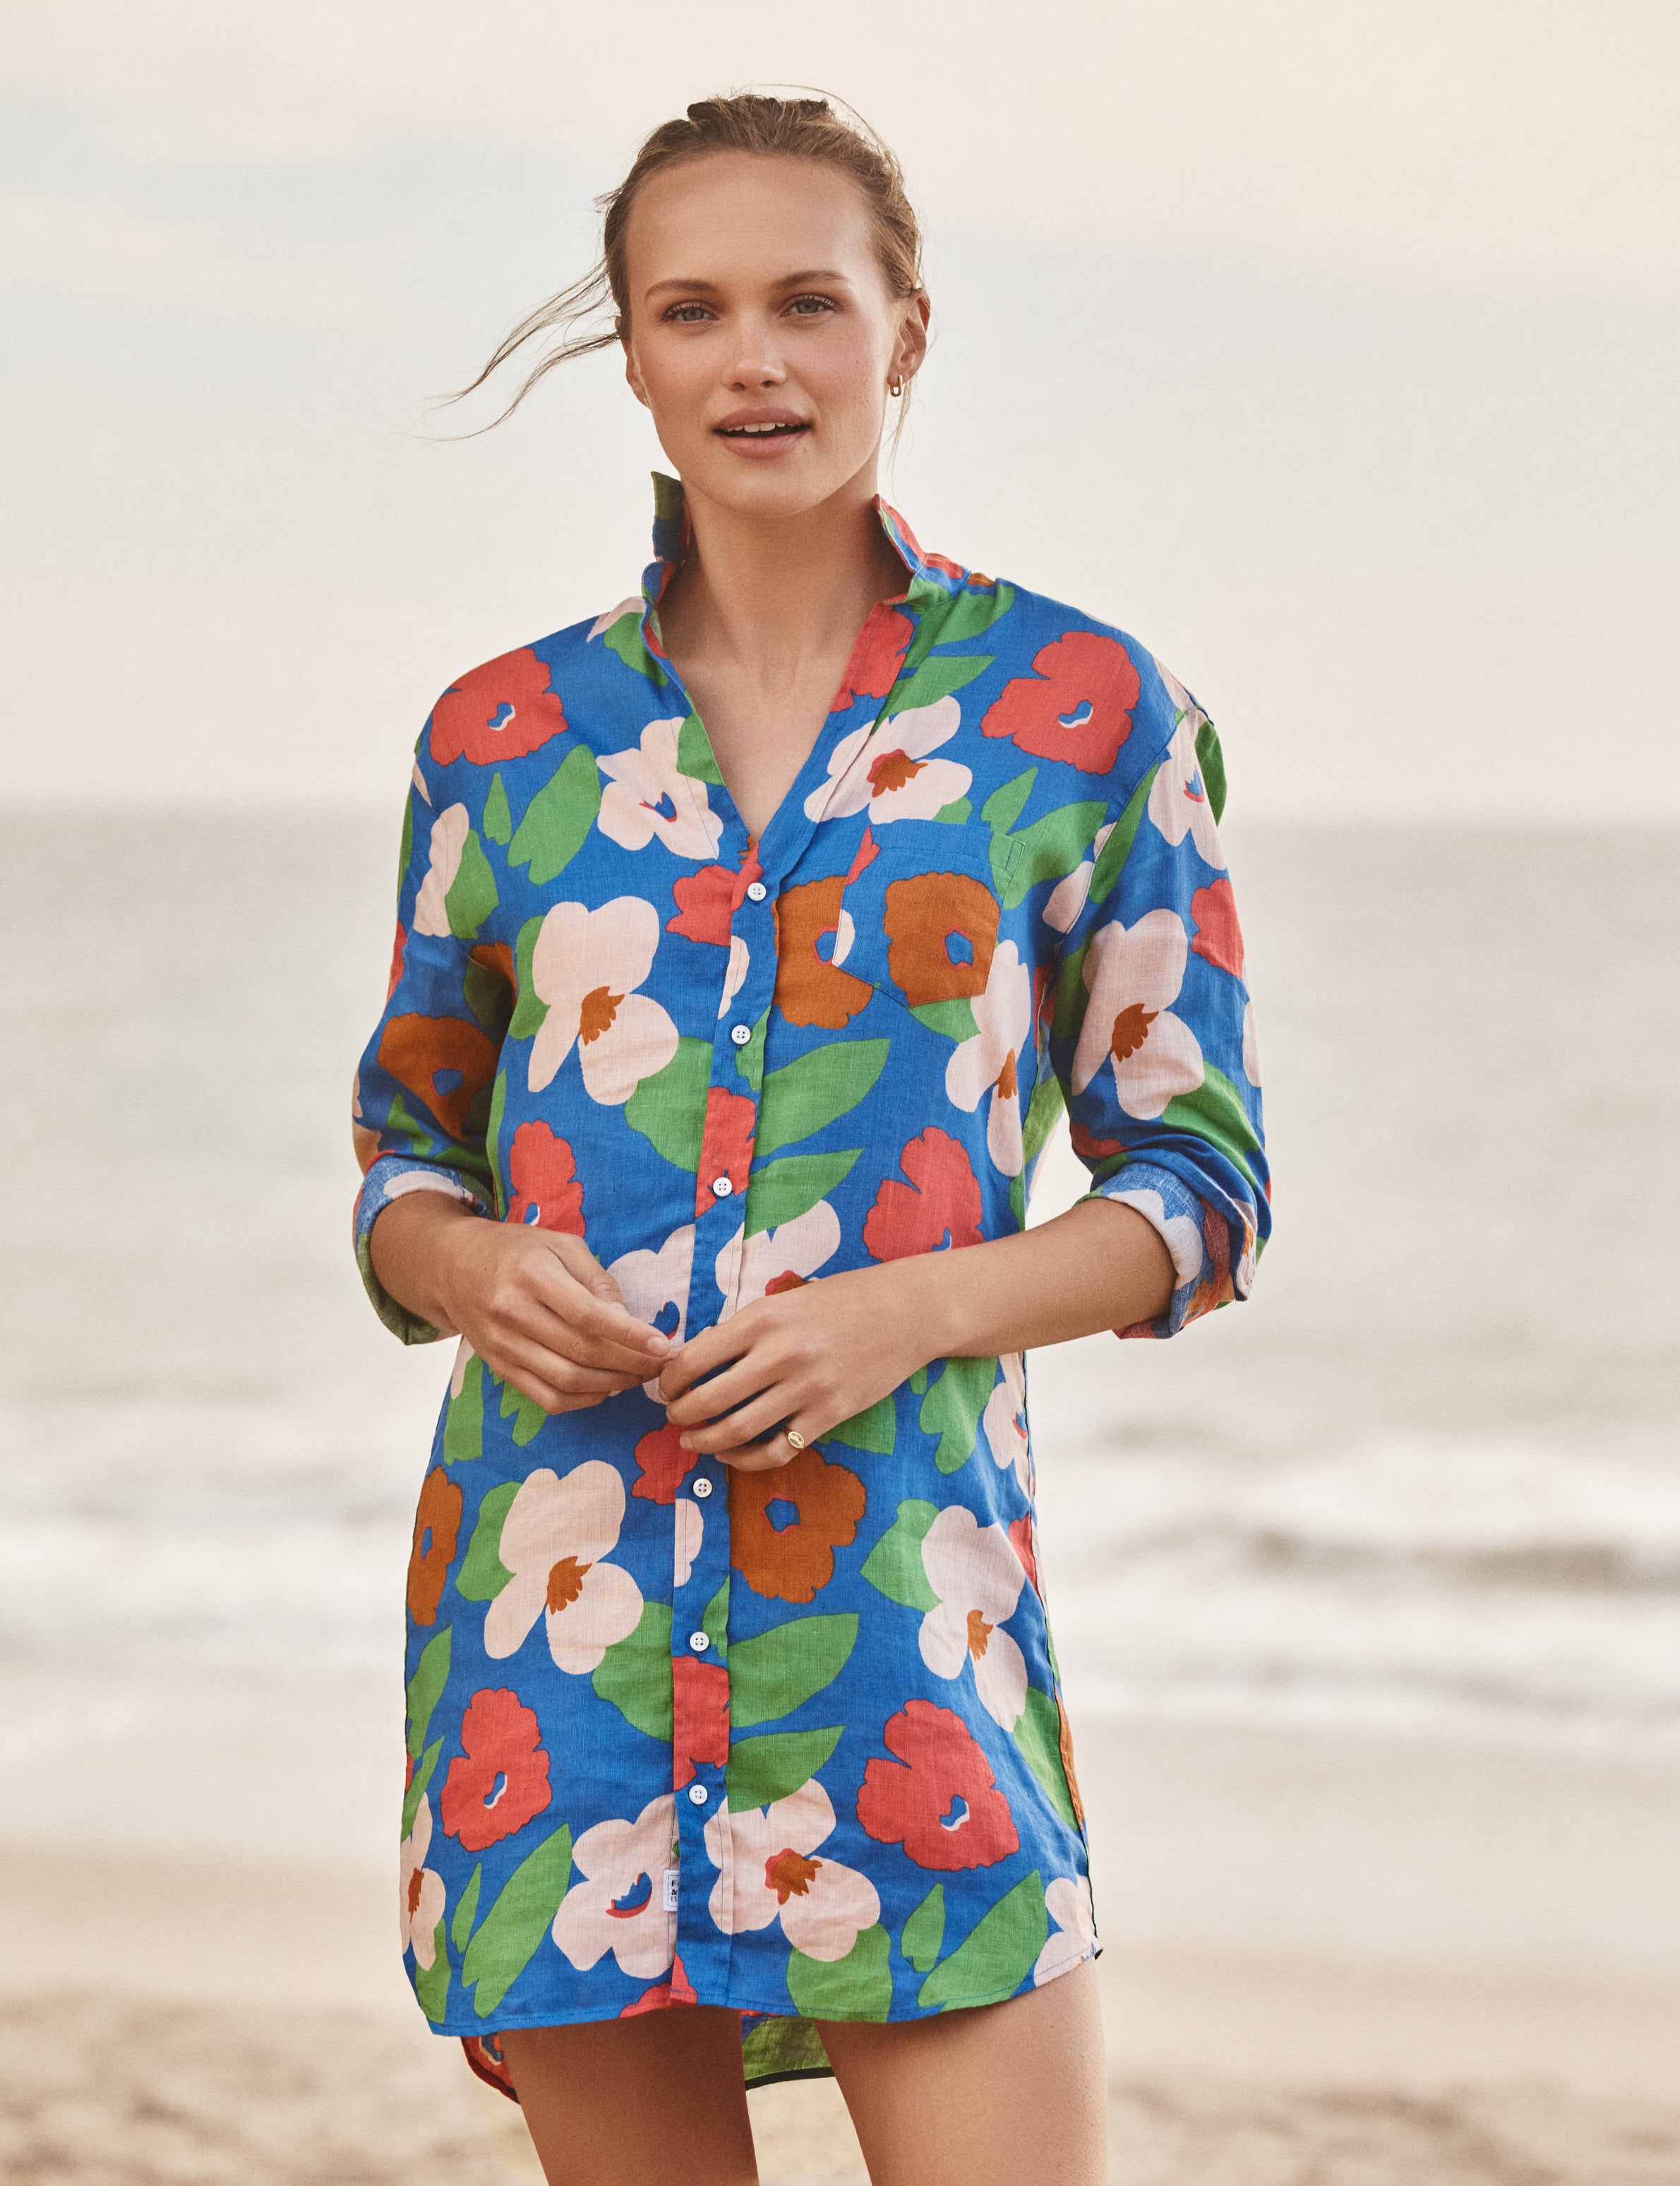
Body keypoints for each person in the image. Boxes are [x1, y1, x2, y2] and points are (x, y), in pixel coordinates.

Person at [352, 92, 1268, 2186]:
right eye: (689, 311)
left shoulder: (1085, 712)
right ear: (634, 354)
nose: (751, 359)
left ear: (904, 335)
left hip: (900, 1633)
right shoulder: (501, 743)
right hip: (547, 1645)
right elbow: (406, 1153)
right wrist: (471, 1267)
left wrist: (907, 1313)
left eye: (804, 303)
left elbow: (1196, 1192)